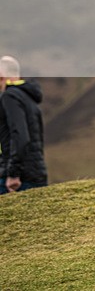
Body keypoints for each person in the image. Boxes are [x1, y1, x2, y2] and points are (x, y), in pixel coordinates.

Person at [0, 56, 47, 194]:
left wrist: (13, 174)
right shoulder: (28, 97)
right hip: (35, 172)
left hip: (19, 178)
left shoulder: (9, 97)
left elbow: (20, 135)